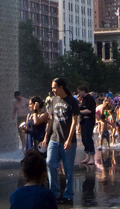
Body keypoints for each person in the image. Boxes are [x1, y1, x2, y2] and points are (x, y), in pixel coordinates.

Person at [42, 77, 79, 205]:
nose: (53, 90)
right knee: (50, 163)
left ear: (61, 87)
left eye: (54, 87)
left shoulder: (72, 101)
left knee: (68, 169)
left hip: (68, 140)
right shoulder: (53, 100)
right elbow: (51, 120)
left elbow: (75, 121)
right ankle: (55, 193)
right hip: (54, 138)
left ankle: (68, 194)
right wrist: (46, 137)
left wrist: (69, 139)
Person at [76, 86, 97, 165]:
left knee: (88, 138)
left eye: (79, 92)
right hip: (83, 121)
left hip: (88, 120)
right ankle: (87, 157)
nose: (79, 94)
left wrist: (79, 111)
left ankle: (92, 157)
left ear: (83, 91)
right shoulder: (84, 99)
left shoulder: (90, 99)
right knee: (84, 138)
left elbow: (89, 110)